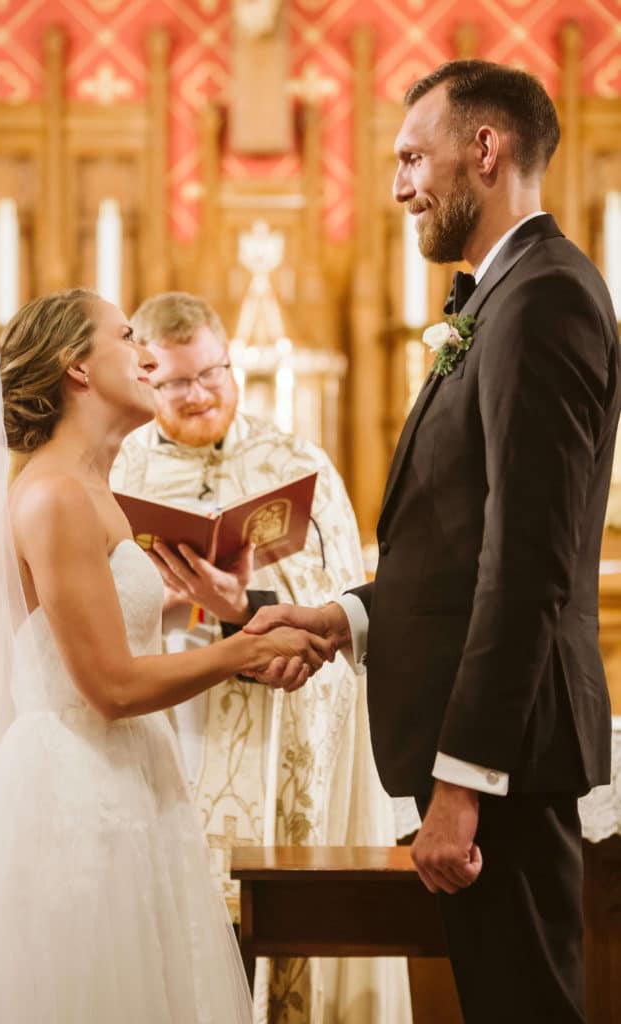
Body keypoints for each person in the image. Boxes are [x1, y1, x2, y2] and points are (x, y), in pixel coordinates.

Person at [247, 60, 621, 1023]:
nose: (399, 184)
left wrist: (465, 782)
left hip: (507, 759)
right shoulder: (501, 298)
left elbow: (529, 563)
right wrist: (345, 615)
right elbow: (464, 552)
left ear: (484, 151)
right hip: (494, 750)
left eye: (414, 157)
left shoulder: (543, 300)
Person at [0, 288, 336, 1023]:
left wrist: (224, 605)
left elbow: (111, 632)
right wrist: (246, 646)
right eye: (126, 337)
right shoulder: (53, 495)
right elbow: (110, 685)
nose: (147, 354)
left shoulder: (97, 491)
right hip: (73, 793)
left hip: (130, 779)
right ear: (76, 370)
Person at [110, 291, 417, 1024]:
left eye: (214, 372)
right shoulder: (116, 473)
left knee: (272, 940)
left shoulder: (296, 464)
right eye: (177, 380)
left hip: (279, 734)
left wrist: (240, 611)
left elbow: (342, 596)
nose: (201, 393)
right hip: (162, 734)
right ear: (143, 377)